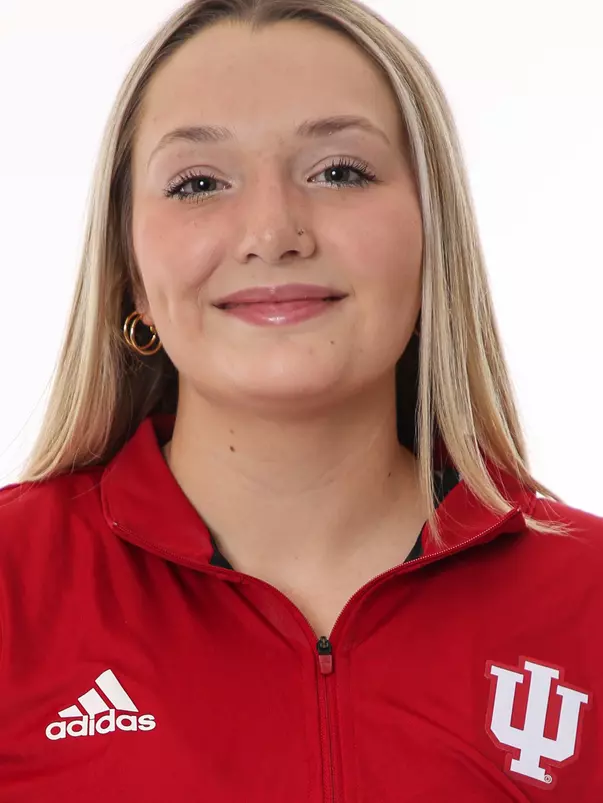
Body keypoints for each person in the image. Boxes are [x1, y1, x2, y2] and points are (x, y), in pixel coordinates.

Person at [0, 0, 601, 799]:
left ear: (433, 238)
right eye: (198, 183)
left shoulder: (588, 599)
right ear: (130, 272)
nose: (273, 231)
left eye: (339, 171)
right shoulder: (13, 585)